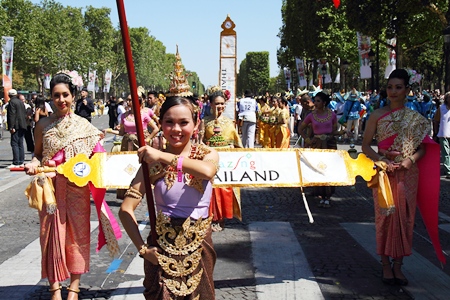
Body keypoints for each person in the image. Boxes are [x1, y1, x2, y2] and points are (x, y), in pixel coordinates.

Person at [24, 72, 121, 300]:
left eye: (65, 95)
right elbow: (38, 155)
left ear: (74, 95)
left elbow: (96, 161)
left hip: (77, 191)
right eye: (56, 96)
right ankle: (55, 288)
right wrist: (32, 163)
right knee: (51, 236)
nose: (61, 100)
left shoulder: (85, 127)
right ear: (51, 97)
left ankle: (74, 288)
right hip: (50, 190)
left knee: (77, 236)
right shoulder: (43, 126)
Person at [119, 96, 219, 299]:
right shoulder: (151, 165)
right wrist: (143, 250)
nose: (176, 130)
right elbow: (125, 210)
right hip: (161, 249)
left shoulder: (206, 154)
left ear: (196, 123)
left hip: (199, 247)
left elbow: (207, 171)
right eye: (169, 122)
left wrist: (163, 156)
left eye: (184, 123)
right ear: (161, 123)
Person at [362, 68, 443, 286]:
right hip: (384, 173)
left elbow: (423, 148)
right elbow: (365, 145)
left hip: (408, 173)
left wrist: (410, 160)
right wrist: (382, 160)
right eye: (390, 87)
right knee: (385, 216)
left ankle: (399, 265)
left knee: (406, 217)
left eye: (398, 87)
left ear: (407, 90)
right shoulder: (377, 115)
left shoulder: (415, 118)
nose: (393, 91)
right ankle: (386, 264)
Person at [202, 88, 243, 232]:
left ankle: (222, 218)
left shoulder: (230, 122)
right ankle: (210, 217)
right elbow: (200, 141)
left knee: (225, 189)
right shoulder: (204, 122)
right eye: (217, 104)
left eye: (222, 104)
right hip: (210, 160)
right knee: (211, 189)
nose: (220, 106)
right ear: (211, 104)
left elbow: (238, 143)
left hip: (227, 162)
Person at [298, 92, 338, 207]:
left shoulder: (332, 115)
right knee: (318, 168)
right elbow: (300, 129)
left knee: (329, 169)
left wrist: (340, 133)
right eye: (314, 101)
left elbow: (334, 130)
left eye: (318, 101)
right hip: (317, 145)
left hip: (330, 144)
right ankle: (320, 193)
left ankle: (328, 194)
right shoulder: (311, 115)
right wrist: (307, 139)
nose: (315, 103)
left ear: (324, 103)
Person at [6, 89, 27, 168]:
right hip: (22, 124)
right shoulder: (20, 102)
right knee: (20, 143)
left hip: (16, 125)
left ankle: (16, 162)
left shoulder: (12, 102)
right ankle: (21, 161)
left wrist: (11, 126)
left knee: (14, 143)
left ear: (9, 95)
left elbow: (12, 115)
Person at [433, 91, 450, 178]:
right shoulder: (441, 108)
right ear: (446, 99)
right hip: (443, 134)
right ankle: (448, 171)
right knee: (446, 153)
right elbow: (436, 121)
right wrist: (435, 132)